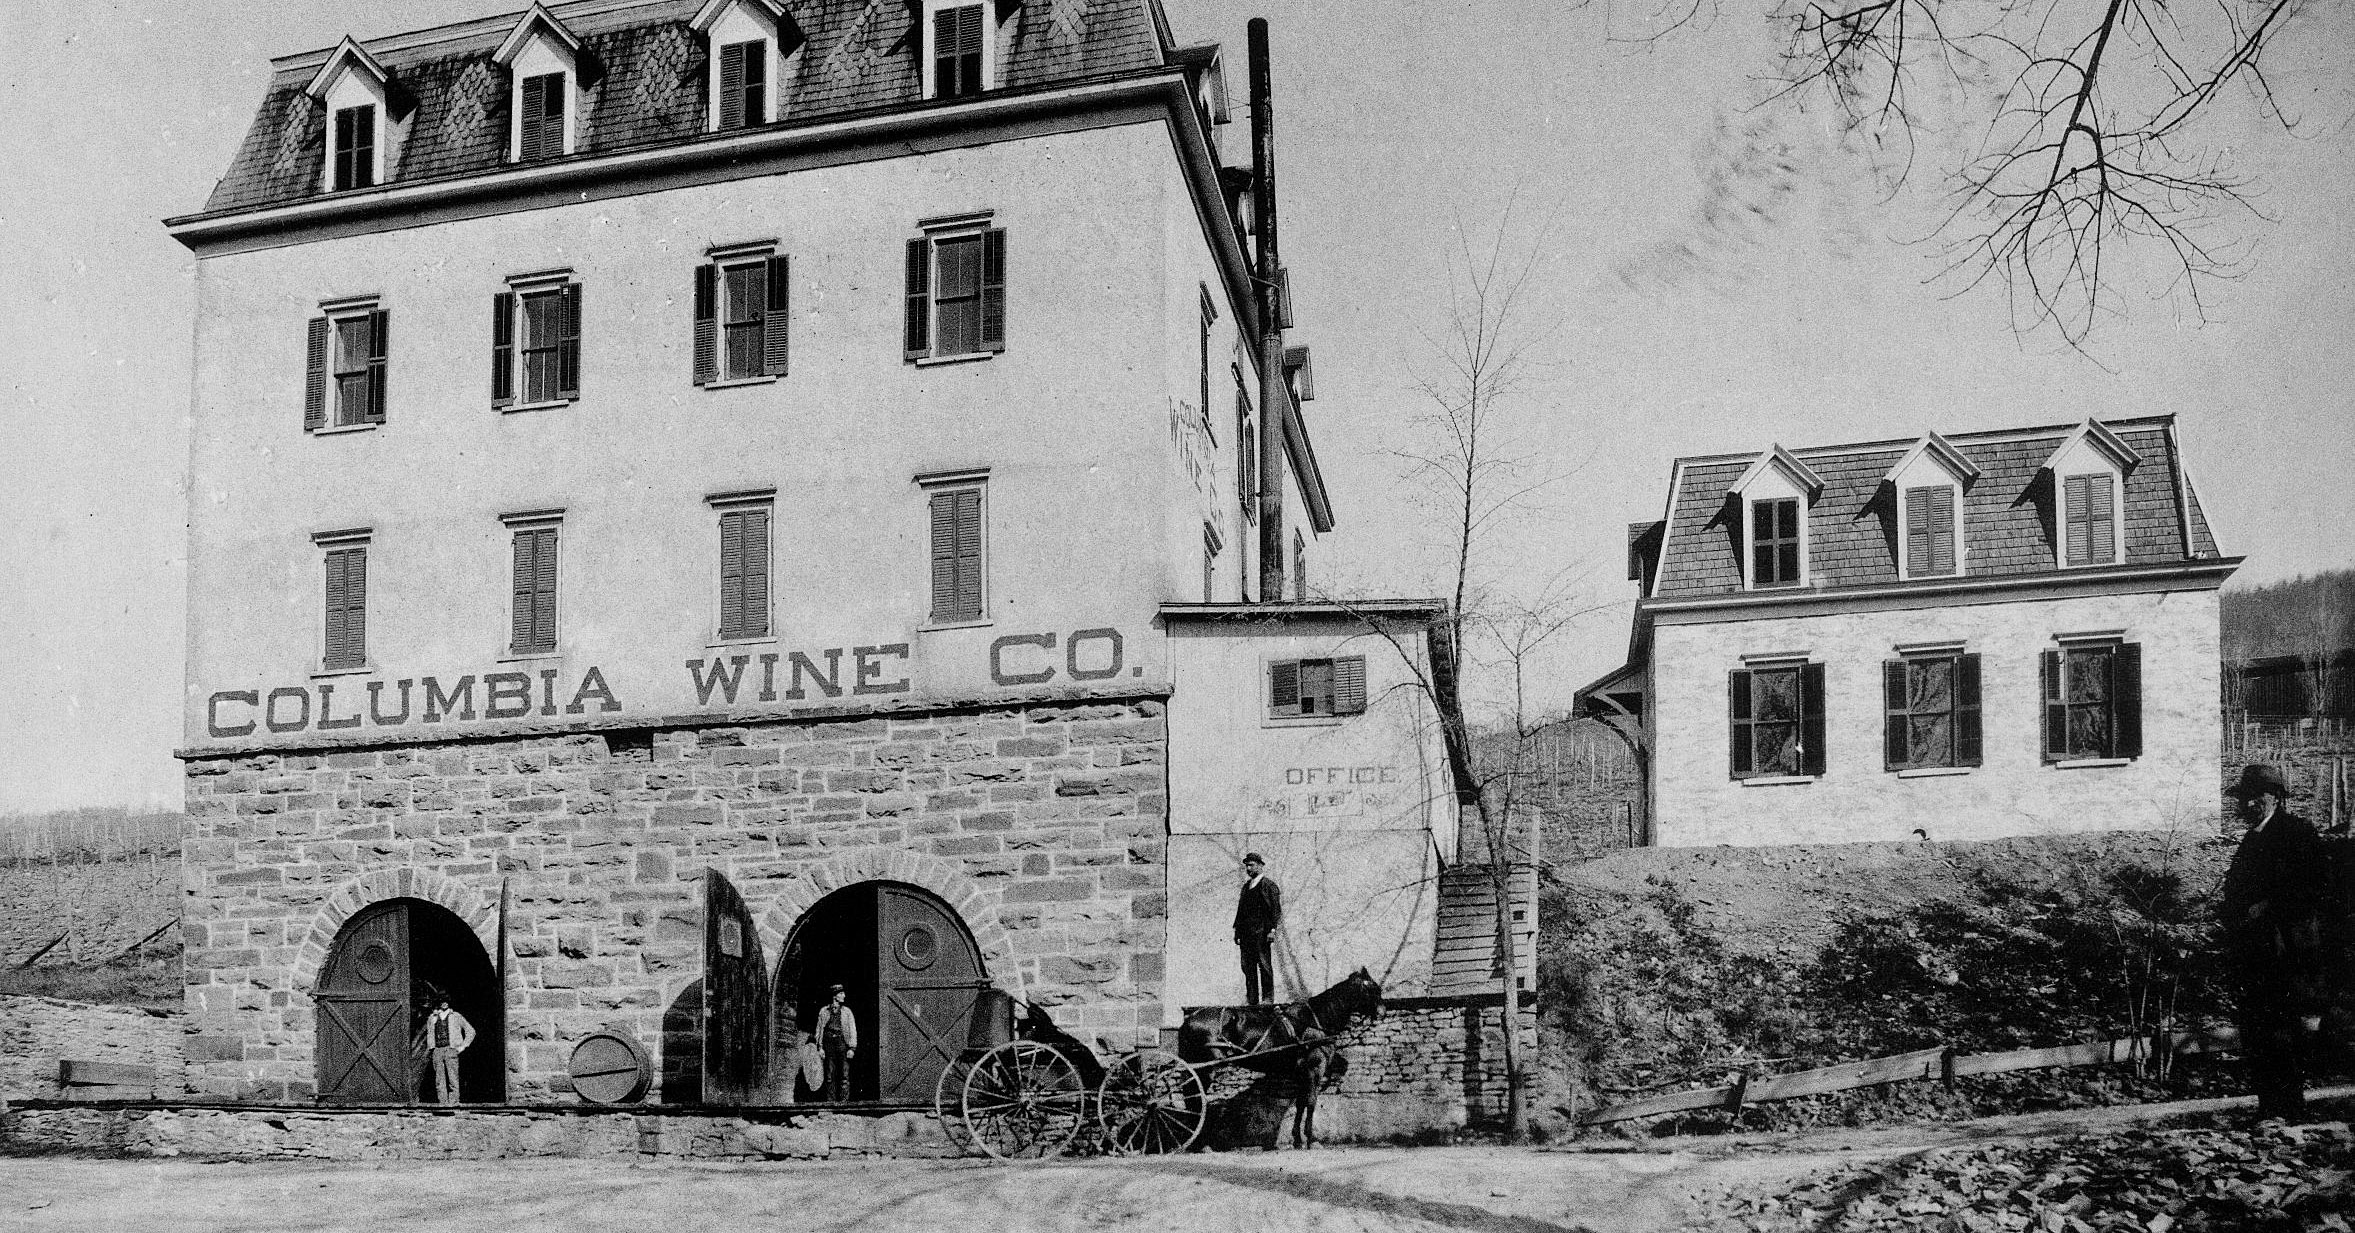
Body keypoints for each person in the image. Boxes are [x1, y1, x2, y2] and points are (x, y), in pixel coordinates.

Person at [2219, 764, 2330, 1121]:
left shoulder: (2297, 834)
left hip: (2288, 952)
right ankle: (2269, 1107)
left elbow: (2313, 888)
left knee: (2283, 1032)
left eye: (2256, 796)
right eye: (2244, 798)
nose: (2248, 804)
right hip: (2255, 954)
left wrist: (2267, 906)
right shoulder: (2252, 839)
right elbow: (2236, 892)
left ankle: (2289, 1109)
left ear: (2275, 797)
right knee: (2257, 1031)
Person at [1234, 852, 1283, 1006]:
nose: (1248, 868)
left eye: (1252, 865)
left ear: (1260, 866)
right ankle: (1252, 1000)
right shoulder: (1246, 887)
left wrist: (1272, 930)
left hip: (1261, 933)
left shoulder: (1269, 886)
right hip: (1246, 935)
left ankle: (1268, 999)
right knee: (1248, 968)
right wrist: (1237, 931)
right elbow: (1241, 911)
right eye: (1247, 865)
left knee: (1264, 966)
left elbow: (1276, 910)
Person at [416, 996, 475, 1106]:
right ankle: (443, 1102)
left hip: (451, 1049)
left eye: (446, 1001)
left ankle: (454, 1102)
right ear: (438, 1003)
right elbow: (430, 1033)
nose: (444, 1003)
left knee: (453, 1077)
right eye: (441, 1001)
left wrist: (462, 1046)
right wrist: (431, 1046)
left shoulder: (456, 1016)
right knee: (439, 1078)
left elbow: (471, 1031)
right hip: (437, 1050)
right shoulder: (432, 1017)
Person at [814, 984, 857, 1103]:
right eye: (841, 993)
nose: (844, 996)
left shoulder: (847, 1012)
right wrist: (820, 1047)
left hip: (842, 1044)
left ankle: (844, 1103)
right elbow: (819, 1029)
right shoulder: (824, 1011)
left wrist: (852, 1048)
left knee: (844, 1075)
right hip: (828, 1046)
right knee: (829, 1076)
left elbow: (852, 1030)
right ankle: (830, 1102)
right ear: (835, 996)